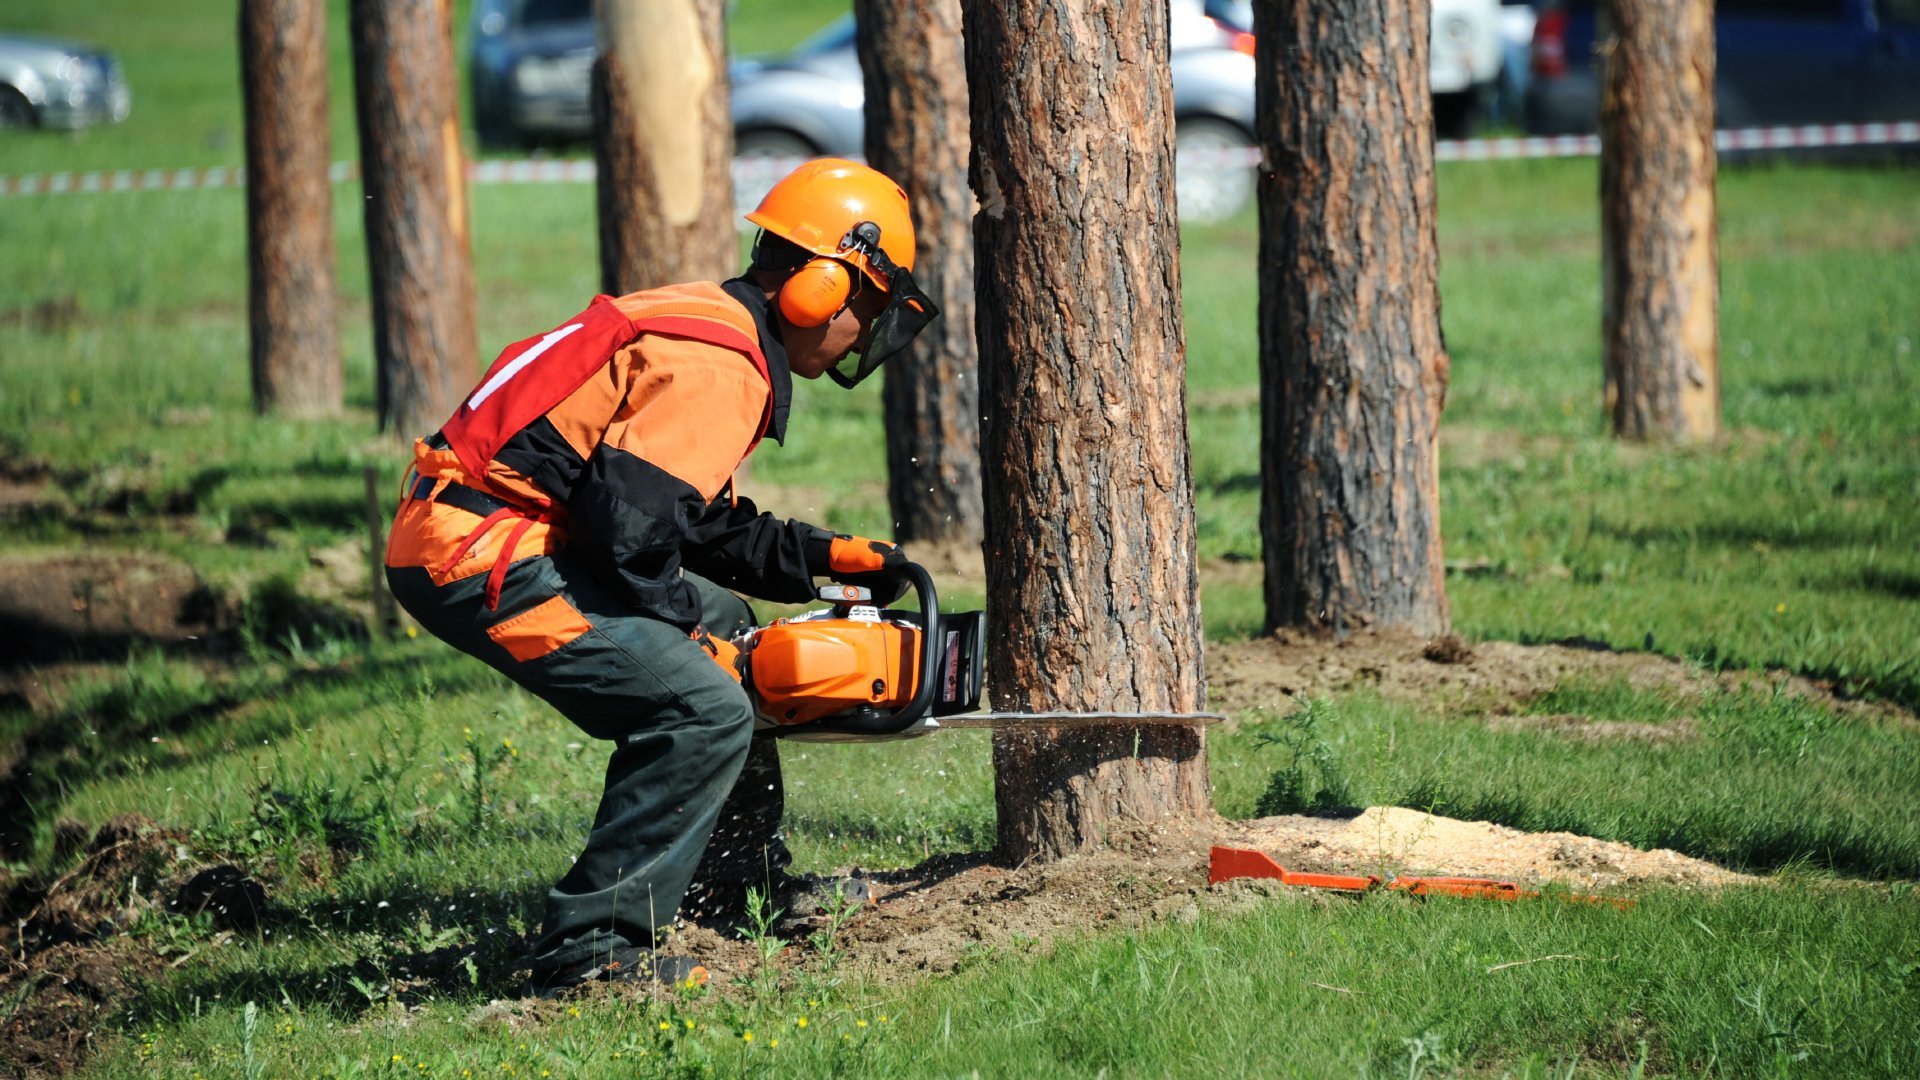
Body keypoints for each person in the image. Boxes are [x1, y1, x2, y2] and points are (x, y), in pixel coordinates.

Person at [383, 158, 938, 995]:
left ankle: (735, 886)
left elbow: (677, 516)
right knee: (705, 702)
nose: (863, 333)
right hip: (475, 553)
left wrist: (821, 558)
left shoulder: (711, 325)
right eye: (865, 310)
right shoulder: (721, 365)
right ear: (823, 286)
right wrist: (705, 646)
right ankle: (589, 949)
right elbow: (626, 538)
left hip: (509, 531)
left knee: (730, 624)